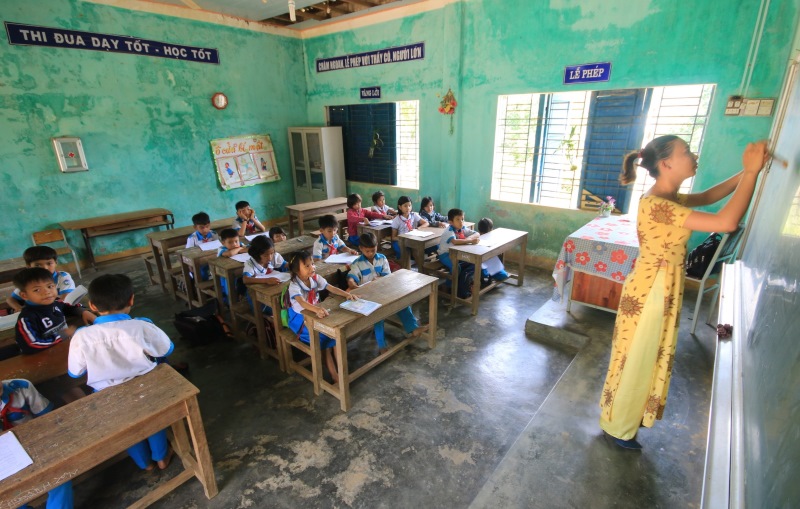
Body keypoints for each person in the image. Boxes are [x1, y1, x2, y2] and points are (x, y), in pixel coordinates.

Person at [599, 136, 768, 450]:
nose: (693, 155)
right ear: (666, 164)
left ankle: (627, 418)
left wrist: (748, 171)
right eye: (686, 151)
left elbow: (709, 195)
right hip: (652, 290)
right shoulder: (658, 205)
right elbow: (726, 222)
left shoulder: (670, 197)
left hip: (659, 284)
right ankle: (618, 427)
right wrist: (751, 172)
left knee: (645, 354)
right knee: (637, 357)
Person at [67, 274, 176, 472]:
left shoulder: (81, 336)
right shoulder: (141, 325)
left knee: (124, 426)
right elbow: (167, 350)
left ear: (92, 306)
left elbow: (75, 373)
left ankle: (145, 464)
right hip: (147, 386)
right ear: (131, 300)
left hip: (107, 394)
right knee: (154, 416)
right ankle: (161, 457)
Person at [347, 233, 429, 353]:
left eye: (373, 250)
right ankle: (382, 345)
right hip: (369, 296)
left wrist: (379, 279)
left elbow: (388, 277)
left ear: (377, 246)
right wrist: (352, 283)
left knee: (402, 303)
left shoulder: (382, 258)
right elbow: (351, 278)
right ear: (361, 249)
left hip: (385, 291)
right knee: (378, 315)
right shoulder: (357, 263)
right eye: (367, 251)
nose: (370, 253)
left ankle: (413, 328)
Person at [285, 251, 357, 382]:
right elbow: (302, 303)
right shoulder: (294, 285)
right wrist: (317, 309)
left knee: (335, 336)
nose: (312, 267)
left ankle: (342, 371)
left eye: (312, 264)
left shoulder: (315, 278)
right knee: (323, 338)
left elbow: (331, 288)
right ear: (296, 270)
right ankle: (334, 375)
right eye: (307, 266)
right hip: (300, 319)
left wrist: (346, 294)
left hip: (314, 313)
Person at [2, 378, 73, 508]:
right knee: (8, 497)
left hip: (34, 446)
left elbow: (47, 419)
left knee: (60, 476)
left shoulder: (21, 387)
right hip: (5, 459)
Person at [13, 268, 95, 355]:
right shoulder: (27, 318)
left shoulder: (55, 304)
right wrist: (61, 335)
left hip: (65, 350)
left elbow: (69, 307)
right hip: (44, 358)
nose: (47, 292)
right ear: (24, 295)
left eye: (50, 286)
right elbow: (31, 345)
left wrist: (83, 312)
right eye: (37, 290)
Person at [6, 246, 76, 312]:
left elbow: (67, 298)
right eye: (38, 265)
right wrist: (19, 308)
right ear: (29, 266)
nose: (45, 268)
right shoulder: (28, 281)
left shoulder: (62, 277)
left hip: (58, 310)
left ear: (56, 263)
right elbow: (11, 299)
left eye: (49, 263)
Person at [437, 209, 480, 299]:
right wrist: (470, 241)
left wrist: (470, 238)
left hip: (456, 253)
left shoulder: (462, 228)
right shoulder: (449, 231)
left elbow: (477, 233)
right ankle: (447, 286)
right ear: (451, 222)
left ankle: (460, 286)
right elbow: (455, 241)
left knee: (471, 263)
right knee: (457, 267)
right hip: (445, 254)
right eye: (458, 219)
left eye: (462, 219)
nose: (461, 222)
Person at [216, 228, 246, 302]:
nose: (234, 244)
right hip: (224, 274)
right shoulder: (221, 249)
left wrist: (241, 248)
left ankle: (241, 297)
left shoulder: (240, 245)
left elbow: (247, 249)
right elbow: (230, 253)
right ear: (223, 243)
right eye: (230, 242)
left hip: (238, 269)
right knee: (230, 289)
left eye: (236, 241)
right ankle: (230, 301)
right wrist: (239, 249)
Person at [476, 217, 509, 282]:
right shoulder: (478, 239)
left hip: (488, 264)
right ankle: (487, 275)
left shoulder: (480, 237)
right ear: (491, 229)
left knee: (503, 275)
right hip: (484, 265)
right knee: (503, 275)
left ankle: (487, 275)